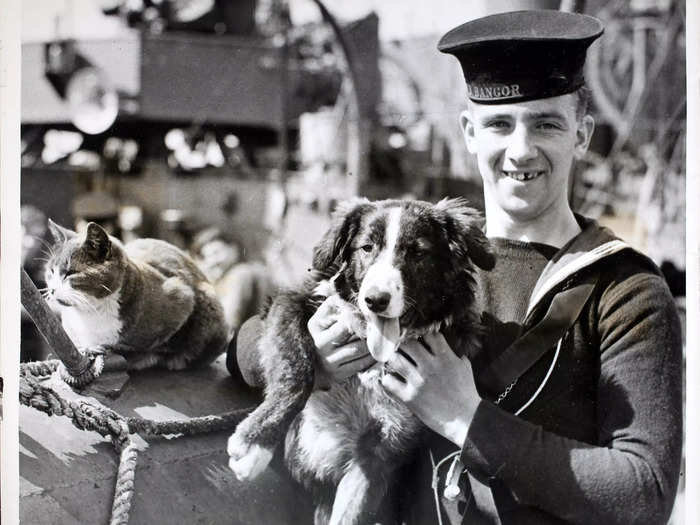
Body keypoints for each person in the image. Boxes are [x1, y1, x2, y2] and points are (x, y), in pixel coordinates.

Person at [233, 10, 683, 524]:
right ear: (469, 132)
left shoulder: (626, 291)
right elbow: (242, 347)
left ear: (581, 134)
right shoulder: (424, 263)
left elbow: (645, 493)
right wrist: (310, 357)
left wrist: (465, 418)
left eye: (547, 123)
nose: (521, 149)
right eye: (499, 123)